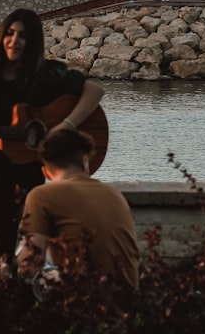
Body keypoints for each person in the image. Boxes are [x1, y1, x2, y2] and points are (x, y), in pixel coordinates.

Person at [0, 8, 104, 264]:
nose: (14, 41)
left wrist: (66, 126)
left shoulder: (46, 75)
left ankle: (29, 264)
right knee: (2, 169)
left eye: (23, 36)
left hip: (27, 160)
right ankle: (6, 264)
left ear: (33, 41)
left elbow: (94, 90)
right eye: (10, 34)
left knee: (26, 176)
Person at [17, 128, 140, 299]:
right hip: (127, 301)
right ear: (84, 161)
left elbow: (30, 261)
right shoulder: (115, 194)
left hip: (83, 304)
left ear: (45, 172)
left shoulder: (41, 195)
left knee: (29, 256)